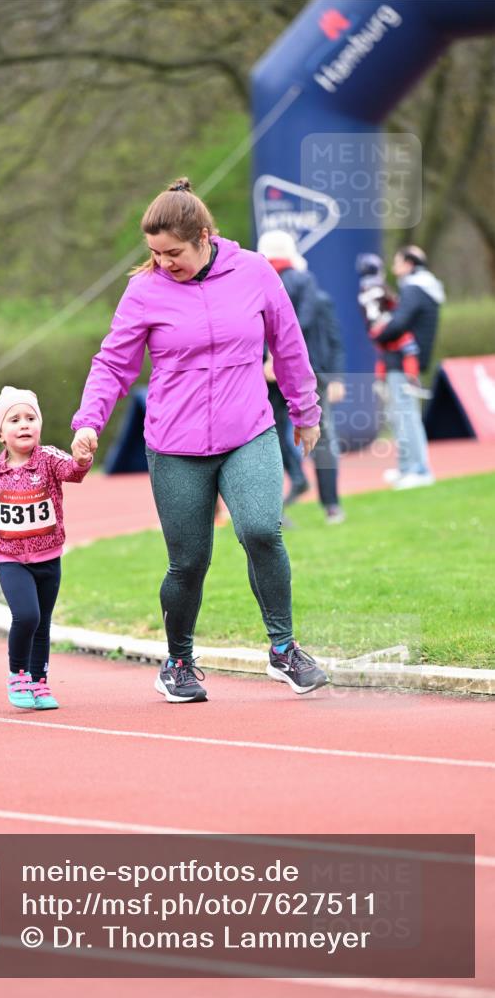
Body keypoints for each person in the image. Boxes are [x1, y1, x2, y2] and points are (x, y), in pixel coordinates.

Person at [71, 177, 328, 703]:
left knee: (261, 529)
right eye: (154, 253)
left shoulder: (254, 272)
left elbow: (289, 343)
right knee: (188, 561)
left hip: (247, 430)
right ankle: (179, 662)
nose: (164, 262)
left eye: (173, 252)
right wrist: (88, 421)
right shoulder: (144, 290)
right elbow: (113, 363)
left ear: (204, 235)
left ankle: (284, 649)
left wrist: (305, 409)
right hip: (175, 442)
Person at [0, 386, 92, 710]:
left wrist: (82, 459)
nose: (23, 424)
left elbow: (74, 472)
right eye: (14, 420)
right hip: (12, 559)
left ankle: (39, 682)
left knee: (43, 623)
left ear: (39, 424)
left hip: (49, 557)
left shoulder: (50, 459)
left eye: (30, 417)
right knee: (27, 616)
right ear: (1, 433)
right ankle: (17, 674)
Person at [258, 231, 347, 525]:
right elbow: (301, 322)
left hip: (268, 372)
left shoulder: (255, 279)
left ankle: (287, 492)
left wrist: (268, 357)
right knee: (321, 436)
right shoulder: (304, 280)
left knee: (266, 435)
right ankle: (331, 505)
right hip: (306, 370)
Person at [370, 246, 445, 489]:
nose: (394, 268)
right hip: (404, 362)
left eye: (397, 262)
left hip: (403, 363)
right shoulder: (421, 287)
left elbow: (398, 324)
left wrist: (378, 333)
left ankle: (419, 470)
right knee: (398, 414)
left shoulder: (414, 288)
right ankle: (406, 468)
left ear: (410, 264)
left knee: (406, 415)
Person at [356, 253, 429, 400]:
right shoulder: (380, 286)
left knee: (383, 355)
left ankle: (379, 381)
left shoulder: (362, 290)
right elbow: (394, 302)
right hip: (384, 324)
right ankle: (412, 381)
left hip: (373, 329)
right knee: (409, 345)